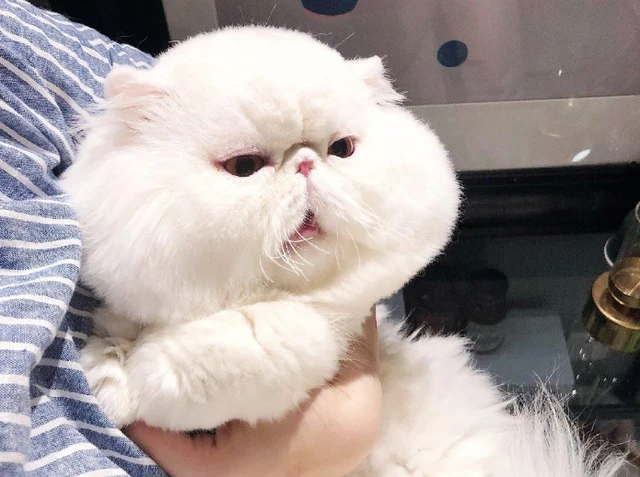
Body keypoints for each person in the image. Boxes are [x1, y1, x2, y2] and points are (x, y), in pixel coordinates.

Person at [0, 1, 381, 475]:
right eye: (245, 163)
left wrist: (349, 401)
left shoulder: (34, 55)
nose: (307, 173)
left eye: (339, 149)